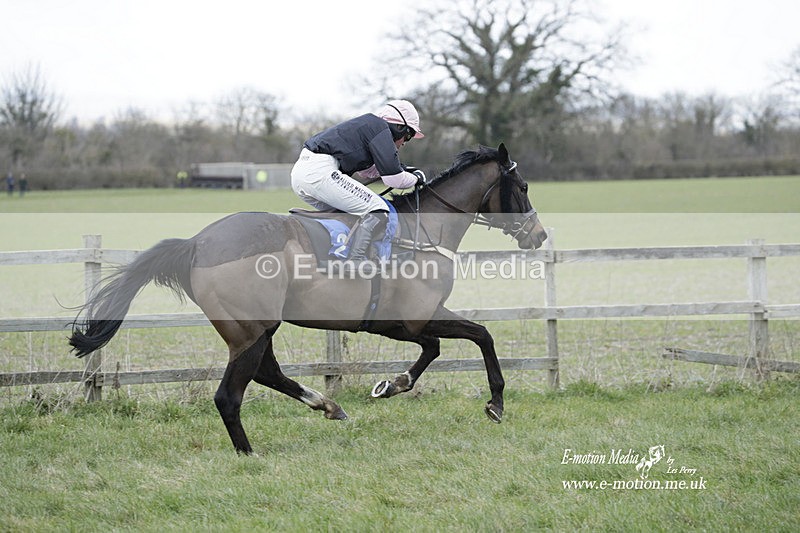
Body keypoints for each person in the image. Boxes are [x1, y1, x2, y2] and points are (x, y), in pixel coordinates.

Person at [291, 99, 426, 269]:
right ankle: (355, 260)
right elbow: (393, 179)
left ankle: (335, 256)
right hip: (319, 172)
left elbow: (368, 172)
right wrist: (417, 178)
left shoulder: (370, 127)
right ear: (399, 127)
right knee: (378, 209)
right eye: (409, 135)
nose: (405, 142)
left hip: (302, 173)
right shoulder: (380, 128)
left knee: (351, 215)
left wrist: (405, 170)